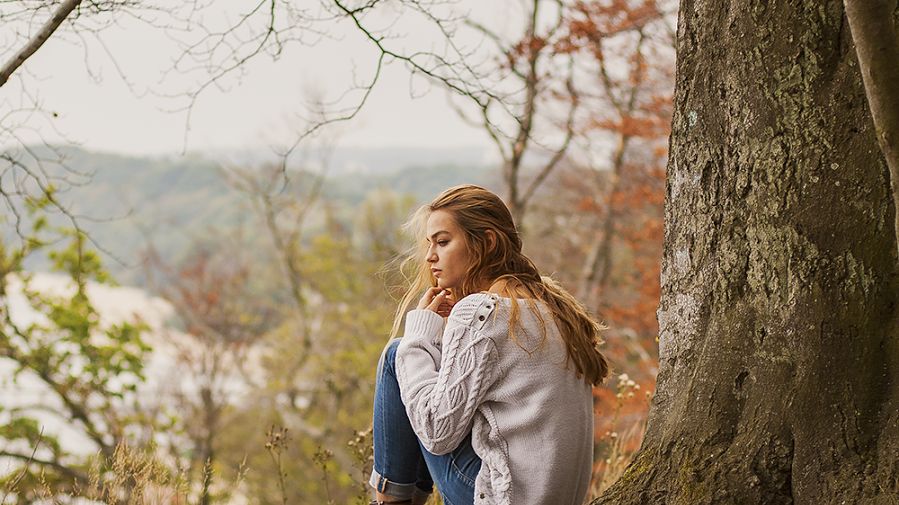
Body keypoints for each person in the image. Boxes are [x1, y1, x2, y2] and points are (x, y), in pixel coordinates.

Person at [369, 184, 610, 505]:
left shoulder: (482, 312)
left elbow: (436, 433)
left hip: (502, 498)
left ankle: (388, 500)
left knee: (397, 354)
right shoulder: (550, 307)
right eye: (430, 244)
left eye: (442, 242)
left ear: (487, 242)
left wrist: (419, 334)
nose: (430, 256)